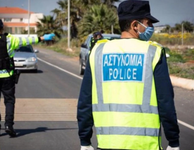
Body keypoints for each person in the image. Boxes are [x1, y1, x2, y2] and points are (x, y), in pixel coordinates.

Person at [77, 0, 180, 150]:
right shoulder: (153, 52)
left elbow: (85, 101)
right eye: (148, 23)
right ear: (135, 25)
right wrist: (173, 141)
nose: (151, 27)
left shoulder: (98, 52)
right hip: (144, 145)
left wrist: (85, 140)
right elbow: (165, 102)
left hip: (108, 144)